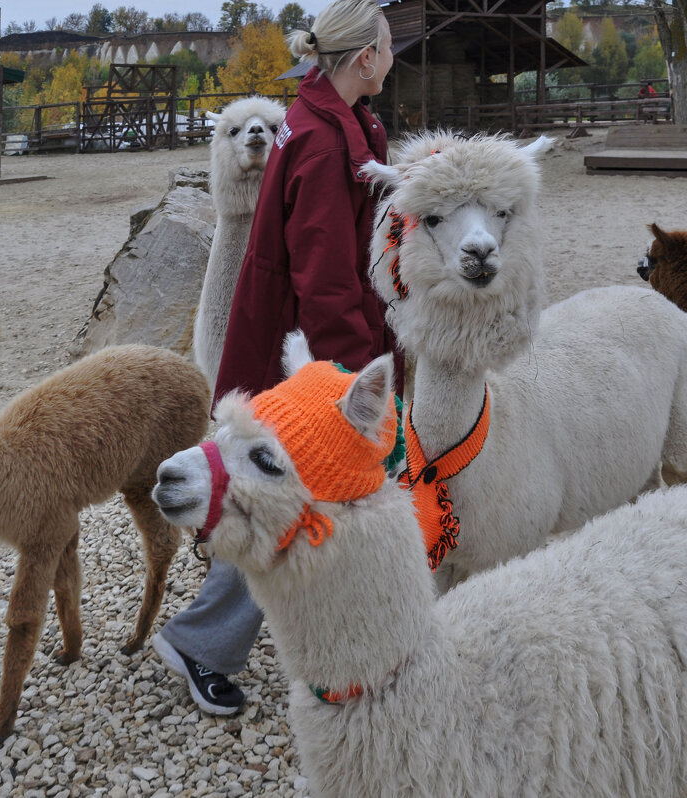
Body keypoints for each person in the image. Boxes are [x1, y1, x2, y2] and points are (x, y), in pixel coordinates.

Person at [150, 0, 401, 716]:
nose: (392, 57)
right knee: (286, 488)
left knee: (300, 492)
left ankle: (342, 626)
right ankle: (202, 642)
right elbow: (323, 280)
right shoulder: (323, 142)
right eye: (387, 46)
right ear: (363, 58)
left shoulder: (332, 121)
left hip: (292, 345)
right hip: (305, 357)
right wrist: (357, 379)